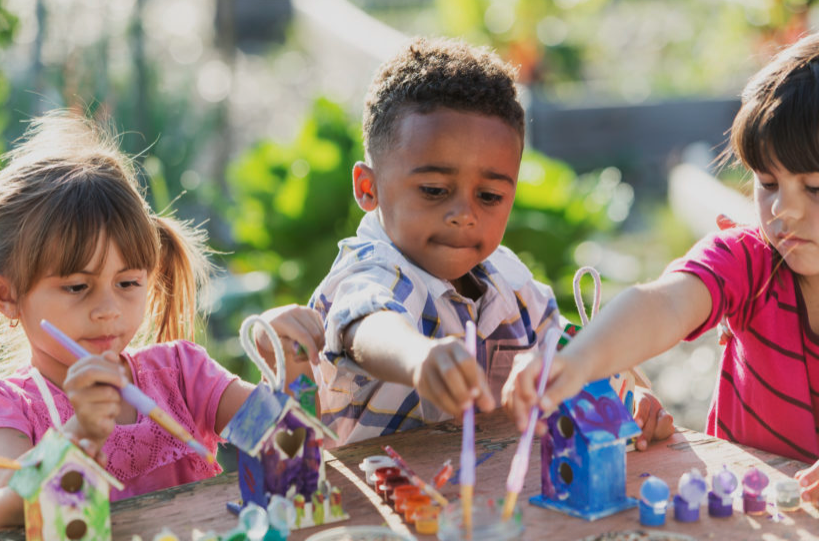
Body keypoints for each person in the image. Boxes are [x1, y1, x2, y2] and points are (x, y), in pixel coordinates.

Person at [303, 36, 669, 447]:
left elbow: (569, 350)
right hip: (377, 507)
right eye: (434, 189)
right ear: (368, 188)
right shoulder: (371, 269)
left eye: (489, 196)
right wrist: (418, 358)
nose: (465, 214)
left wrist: (628, 394)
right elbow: (367, 324)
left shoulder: (508, 280)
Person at [503, 33, 819, 503]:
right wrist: (578, 361)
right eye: (767, 182)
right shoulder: (750, 260)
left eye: (813, 187)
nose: (782, 210)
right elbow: (663, 304)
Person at [0, 111, 324, 526]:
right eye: (77, 287)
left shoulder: (183, 375)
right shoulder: (15, 408)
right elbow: (9, 507)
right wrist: (78, 434)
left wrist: (288, 361)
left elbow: (283, 447)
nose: (108, 310)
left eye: (128, 283)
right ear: (9, 295)